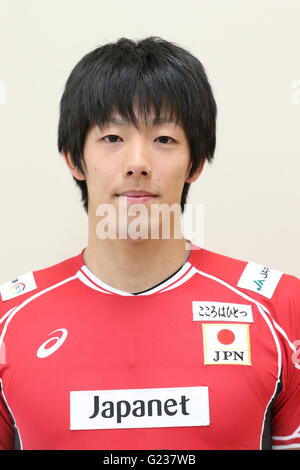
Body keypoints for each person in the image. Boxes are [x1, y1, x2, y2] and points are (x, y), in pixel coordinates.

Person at [0, 36, 299, 451]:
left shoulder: (284, 308)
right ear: (73, 158)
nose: (138, 163)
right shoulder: (8, 320)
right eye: (112, 138)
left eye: (164, 139)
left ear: (195, 162)